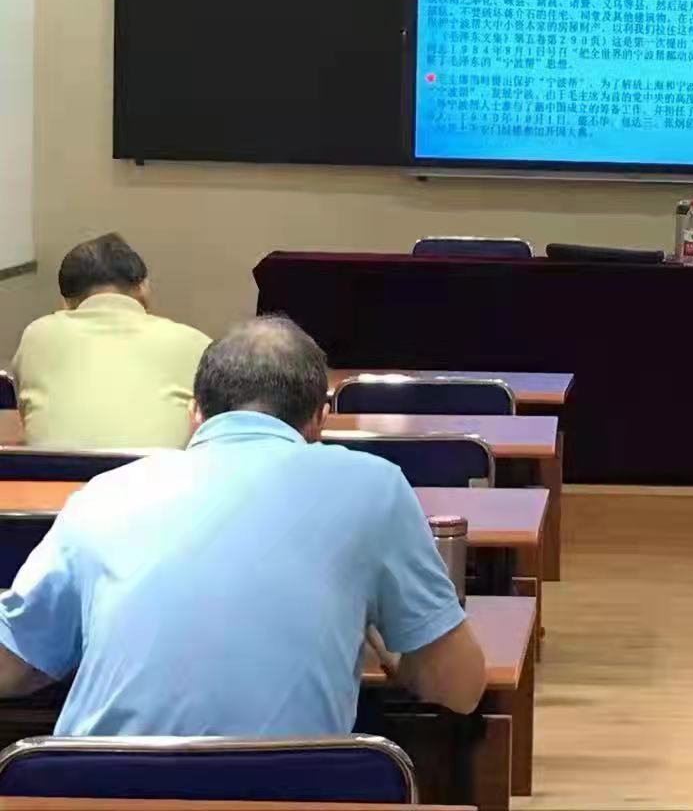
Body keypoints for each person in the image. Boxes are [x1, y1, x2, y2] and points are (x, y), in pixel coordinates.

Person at [0, 315, 488, 735]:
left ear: (194, 413)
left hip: (97, 787)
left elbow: (12, 666)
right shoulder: (374, 487)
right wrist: (397, 653)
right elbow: (461, 688)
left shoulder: (104, 494)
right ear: (319, 421)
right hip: (294, 790)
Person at [8, 233, 210, 449]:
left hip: (54, 470)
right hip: (159, 470)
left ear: (66, 303)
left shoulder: (37, 336)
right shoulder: (195, 344)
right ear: (144, 287)